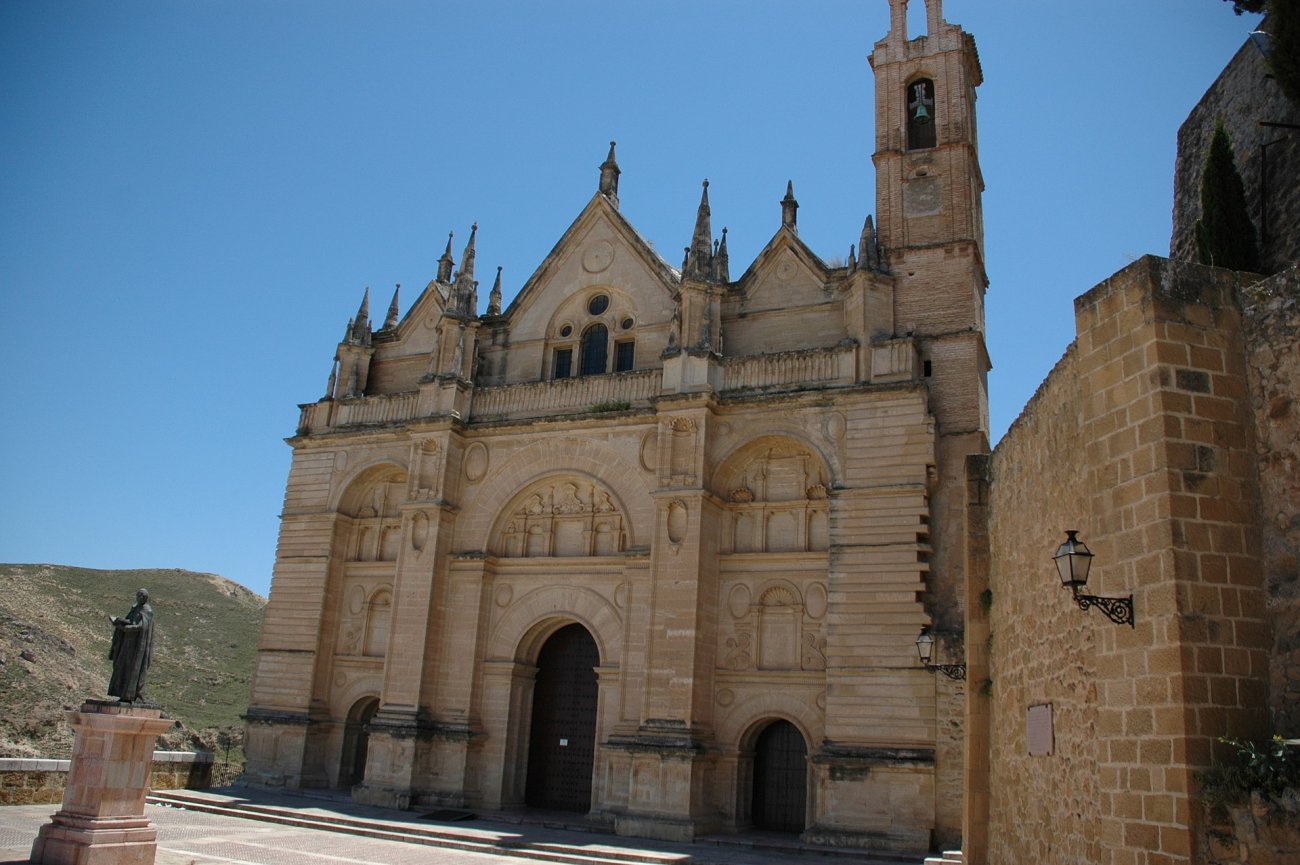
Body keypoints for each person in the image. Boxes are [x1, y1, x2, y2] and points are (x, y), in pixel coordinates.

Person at [108, 588, 154, 703]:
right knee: (122, 667)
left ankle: (129, 695)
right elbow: (131, 620)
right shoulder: (135, 609)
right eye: (138, 595)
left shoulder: (147, 611)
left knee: (133, 669)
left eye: (141, 596)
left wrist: (126, 628)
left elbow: (142, 627)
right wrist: (121, 621)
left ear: (145, 598)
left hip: (137, 647)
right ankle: (122, 693)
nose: (139, 597)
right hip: (127, 644)